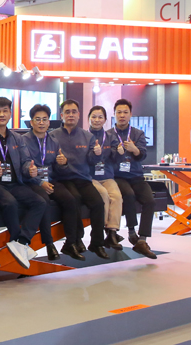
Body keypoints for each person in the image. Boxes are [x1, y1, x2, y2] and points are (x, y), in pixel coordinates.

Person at [0, 96, 45, 269]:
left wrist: (29, 170)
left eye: (5, 111)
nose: (1, 115)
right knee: (10, 203)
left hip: (15, 183)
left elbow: (25, 161)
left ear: (10, 113)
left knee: (39, 202)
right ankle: (17, 240)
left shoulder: (17, 138)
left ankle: (21, 242)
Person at [50, 100, 111, 260]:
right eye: (67, 112)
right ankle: (74, 241)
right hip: (62, 178)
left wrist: (97, 154)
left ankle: (97, 243)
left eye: (74, 112)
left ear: (78, 115)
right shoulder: (53, 136)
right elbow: (48, 161)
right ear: (62, 115)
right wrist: (60, 163)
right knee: (74, 199)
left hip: (82, 179)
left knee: (98, 203)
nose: (71, 115)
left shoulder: (88, 136)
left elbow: (92, 161)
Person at [109, 99, 157, 259]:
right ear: (114, 114)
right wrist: (115, 152)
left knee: (150, 201)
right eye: (119, 112)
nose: (122, 115)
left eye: (125, 112)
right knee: (128, 194)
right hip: (118, 176)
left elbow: (142, 155)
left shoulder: (138, 133)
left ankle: (142, 240)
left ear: (130, 114)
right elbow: (105, 157)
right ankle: (131, 232)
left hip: (136, 176)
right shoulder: (109, 135)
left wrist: (135, 150)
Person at [21, 104, 70, 262]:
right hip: (31, 182)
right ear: (31, 122)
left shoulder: (54, 141)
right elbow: (24, 166)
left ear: (49, 122)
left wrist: (63, 164)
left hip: (50, 180)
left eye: (44, 119)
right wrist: (39, 182)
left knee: (69, 198)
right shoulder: (23, 141)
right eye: (38, 119)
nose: (41, 123)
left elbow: (57, 169)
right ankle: (49, 243)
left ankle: (72, 241)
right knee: (44, 200)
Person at [88, 105, 126, 250]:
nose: (97, 120)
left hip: (107, 176)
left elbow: (116, 158)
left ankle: (112, 233)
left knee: (116, 196)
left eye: (100, 117)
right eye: (94, 117)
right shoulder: (85, 136)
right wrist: (94, 154)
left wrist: (120, 152)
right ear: (89, 118)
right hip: (90, 177)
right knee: (103, 194)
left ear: (105, 120)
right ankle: (101, 229)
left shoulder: (110, 137)